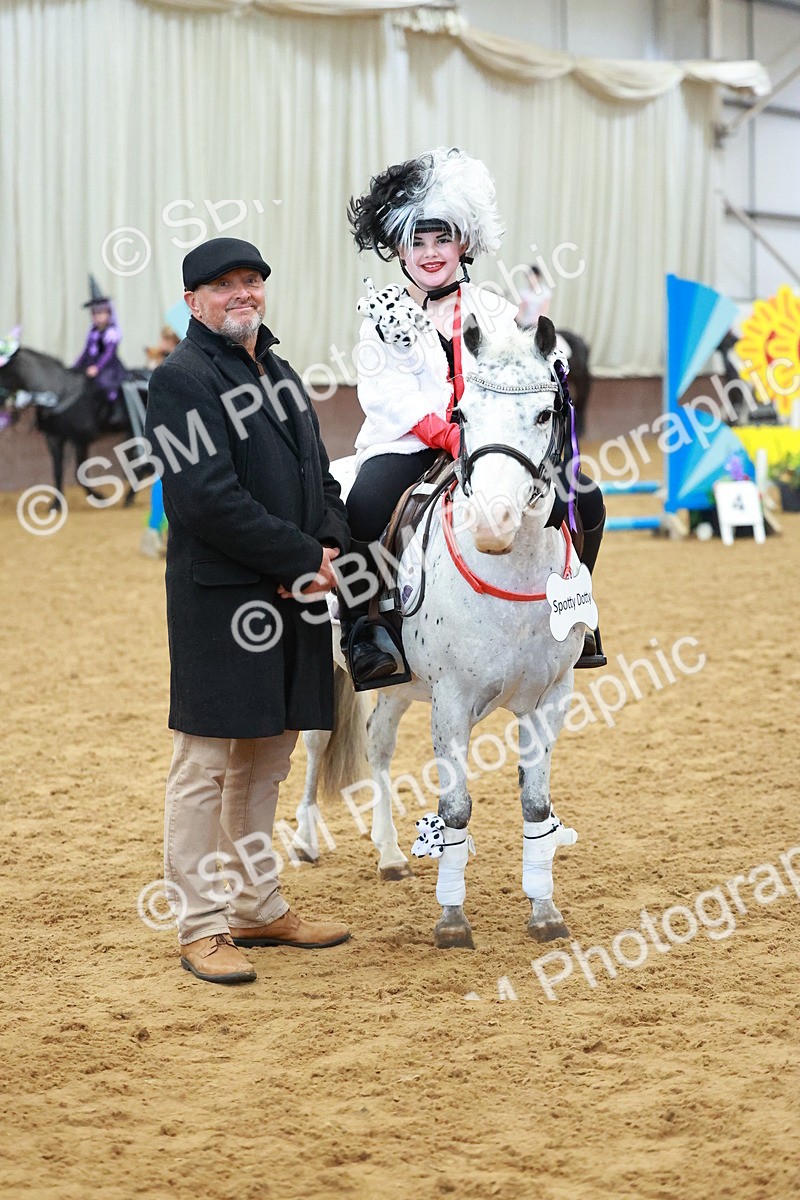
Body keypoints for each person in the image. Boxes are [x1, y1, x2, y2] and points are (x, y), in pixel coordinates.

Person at [145, 237, 351, 986]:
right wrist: (300, 558)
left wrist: (327, 544)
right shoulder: (180, 379)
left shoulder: (282, 369)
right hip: (222, 601)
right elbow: (204, 498)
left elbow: (317, 473)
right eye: (224, 285)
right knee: (203, 764)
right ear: (195, 302)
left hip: (291, 592)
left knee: (269, 754)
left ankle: (256, 905)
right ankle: (200, 925)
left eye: (253, 281)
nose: (243, 293)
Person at [341, 147, 606, 688]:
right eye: (417, 240)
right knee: (364, 506)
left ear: (465, 243)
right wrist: (443, 431)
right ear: (396, 247)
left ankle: (576, 603)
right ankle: (366, 630)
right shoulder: (382, 318)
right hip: (409, 446)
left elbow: (526, 364)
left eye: (442, 239)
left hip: (493, 444)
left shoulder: (494, 308)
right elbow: (387, 394)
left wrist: (541, 348)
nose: (430, 252)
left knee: (587, 496)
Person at [74, 275, 127, 423]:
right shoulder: (93, 332)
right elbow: (86, 351)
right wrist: (76, 365)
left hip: (108, 368)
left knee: (105, 385)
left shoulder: (111, 333)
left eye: (101, 313)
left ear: (108, 313)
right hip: (91, 365)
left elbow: (109, 353)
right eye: (95, 314)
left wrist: (97, 367)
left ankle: (115, 412)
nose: (97, 317)